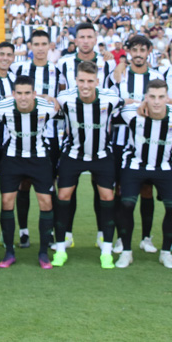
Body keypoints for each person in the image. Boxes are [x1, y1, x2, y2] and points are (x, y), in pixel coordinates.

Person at [55, 62, 123, 268]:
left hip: (101, 156)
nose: (85, 85)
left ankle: (106, 251)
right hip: (73, 155)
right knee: (63, 196)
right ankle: (60, 249)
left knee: (107, 197)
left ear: (97, 81)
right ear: (76, 81)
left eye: (90, 81)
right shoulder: (65, 98)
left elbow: (126, 103)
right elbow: (50, 104)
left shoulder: (110, 98)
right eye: (82, 80)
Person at [116, 80, 172, 269]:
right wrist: (137, 103)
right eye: (152, 97)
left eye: (161, 97)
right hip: (135, 164)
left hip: (164, 166)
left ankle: (166, 253)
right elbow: (115, 102)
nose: (156, 102)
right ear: (146, 97)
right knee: (126, 204)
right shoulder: (131, 113)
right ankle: (126, 252)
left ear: (167, 98)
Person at [110, 35, 172, 255]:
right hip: (121, 141)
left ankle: (146, 237)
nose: (138, 54)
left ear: (148, 52)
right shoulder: (118, 75)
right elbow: (112, 107)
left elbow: (164, 106)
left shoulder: (157, 77)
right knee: (121, 191)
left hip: (150, 143)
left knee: (147, 190)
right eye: (134, 49)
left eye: (142, 50)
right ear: (128, 52)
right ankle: (121, 238)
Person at [0, 75, 59, 269]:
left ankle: (43, 253)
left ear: (34, 94)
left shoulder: (47, 108)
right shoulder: (3, 108)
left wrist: (53, 98)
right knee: (6, 202)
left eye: (27, 93)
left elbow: (68, 110)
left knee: (46, 202)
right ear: (13, 94)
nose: (23, 97)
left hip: (38, 159)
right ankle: (9, 252)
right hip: (12, 158)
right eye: (19, 93)